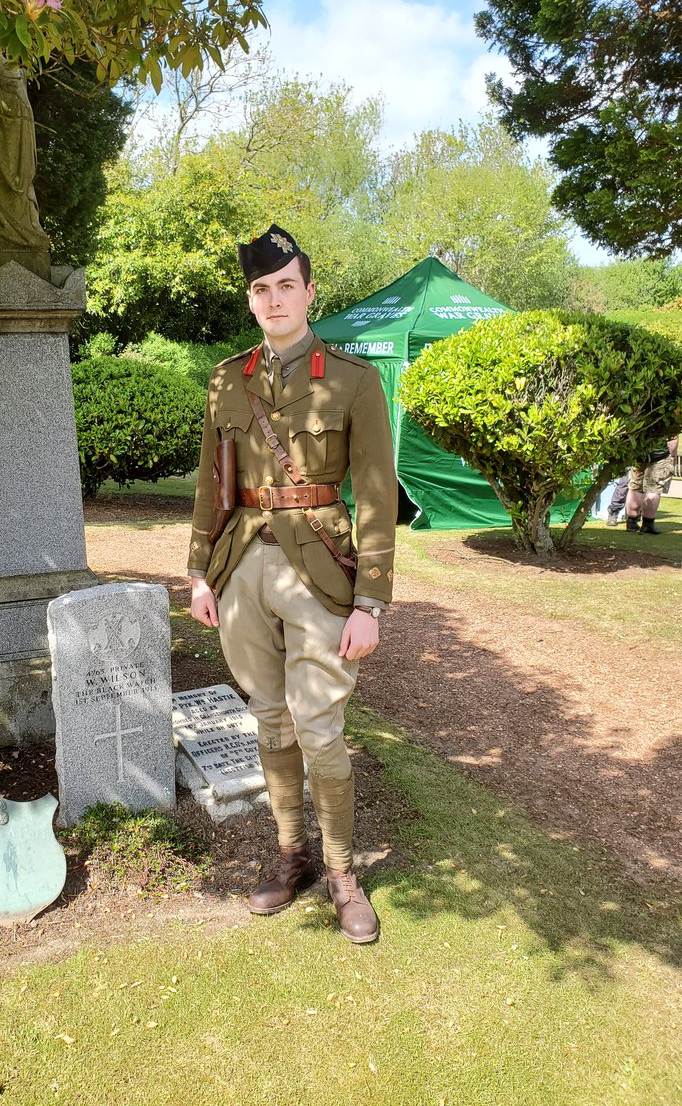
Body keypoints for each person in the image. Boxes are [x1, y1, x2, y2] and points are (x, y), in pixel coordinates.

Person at [188, 225, 397, 944]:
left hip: (322, 572)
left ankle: (342, 871)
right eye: (260, 289)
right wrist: (198, 571)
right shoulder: (226, 379)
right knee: (270, 721)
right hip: (242, 565)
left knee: (320, 729)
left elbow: (373, 494)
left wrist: (370, 600)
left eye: (285, 286)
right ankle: (291, 856)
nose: (273, 299)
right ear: (250, 301)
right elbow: (212, 489)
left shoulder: (352, 379)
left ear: (309, 292)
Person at [624, 437, 679, 534]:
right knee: (653, 488)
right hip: (659, 456)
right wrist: (673, 455)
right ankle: (648, 524)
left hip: (640, 454)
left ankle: (631, 522)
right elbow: (672, 439)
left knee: (635, 486)